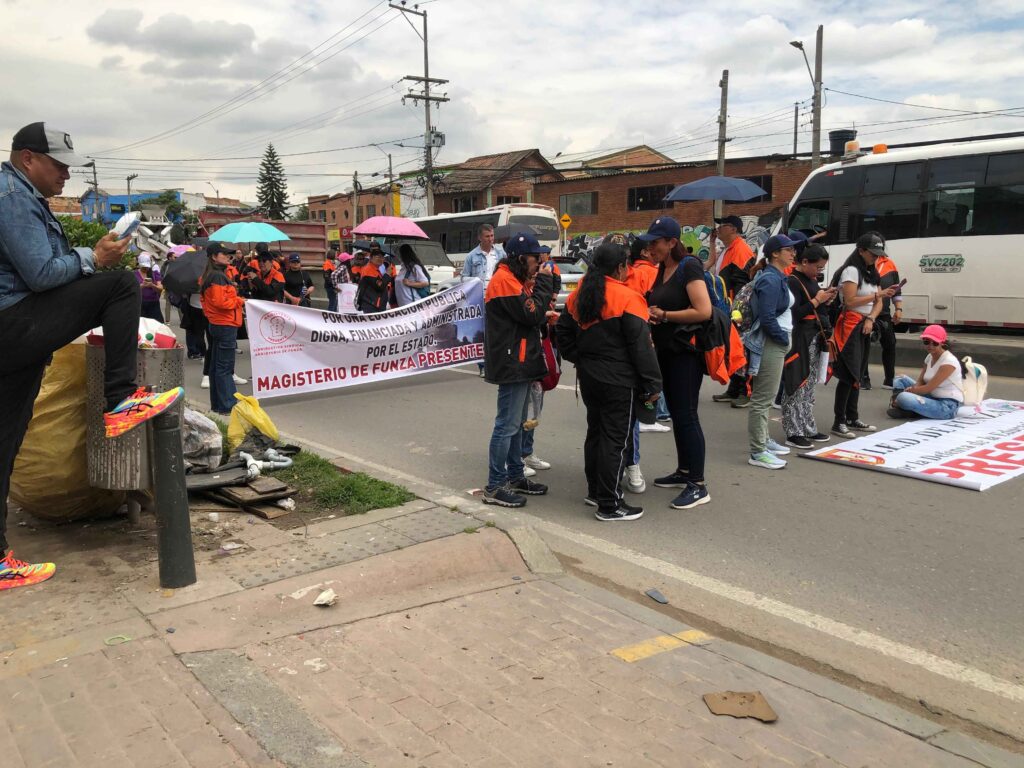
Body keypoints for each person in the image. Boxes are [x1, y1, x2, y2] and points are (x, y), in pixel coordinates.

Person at [0, 121, 183, 588]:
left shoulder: (24, 195)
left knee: (6, 441)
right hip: (14, 323)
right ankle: (120, 398)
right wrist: (94, 259)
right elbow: (41, 274)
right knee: (121, 284)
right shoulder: (10, 195)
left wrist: (86, 257)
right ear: (28, 159)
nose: (66, 174)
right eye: (59, 165)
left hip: (17, 334)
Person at [555, 243, 662, 521]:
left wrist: (581, 357)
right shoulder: (628, 298)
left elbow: (562, 335)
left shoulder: (578, 296)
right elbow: (642, 347)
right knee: (616, 439)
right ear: (620, 267)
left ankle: (596, 492)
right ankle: (609, 504)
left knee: (597, 434)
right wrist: (653, 384)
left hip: (589, 376)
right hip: (619, 380)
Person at [480, 232, 554, 508]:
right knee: (507, 426)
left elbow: (529, 316)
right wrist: (545, 283)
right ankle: (495, 485)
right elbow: (530, 313)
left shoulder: (515, 280)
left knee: (518, 425)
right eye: (537, 258)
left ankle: (514, 475)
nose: (540, 263)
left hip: (520, 360)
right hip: (512, 362)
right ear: (522, 258)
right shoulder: (505, 282)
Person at [644, 216, 713, 509]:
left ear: (672, 242)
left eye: (656, 243)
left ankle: (697, 484)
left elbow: (703, 310)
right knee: (677, 413)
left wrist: (664, 316)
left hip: (686, 353)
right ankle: (684, 471)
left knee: (686, 415)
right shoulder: (663, 269)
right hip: (667, 351)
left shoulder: (689, 266)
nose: (651, 248)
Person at [830, 233, 898, 437]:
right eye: (872, 253)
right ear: (860, 250)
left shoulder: (872, 272)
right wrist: (878, 295)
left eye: (878, 254)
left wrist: (870, 319)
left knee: (858, 374)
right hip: (849, 324)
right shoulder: (851, 271)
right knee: (848, 374)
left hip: (865, 324)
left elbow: (878, 303)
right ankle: (839, 421)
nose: (875, 257)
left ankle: (852, 417)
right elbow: (849, 301)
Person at [744, 235, 798, 469]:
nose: (793, 254)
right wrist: (781, 338)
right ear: (775, 253)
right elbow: (766, 317)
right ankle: (758, 452)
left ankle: (764, 441)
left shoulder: (776, 277)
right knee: (763, 399)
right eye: (789, 250)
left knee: (765, 397)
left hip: (775, 340)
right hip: (771, 342)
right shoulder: (771, 279)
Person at [781, 244, 837, 448]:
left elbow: (815, 306)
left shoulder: (809, 280)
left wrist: (825, 299)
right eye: (818, 267)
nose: (819, 272)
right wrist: (816, 300)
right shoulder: (792, 282)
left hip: (814, 338)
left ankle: (807, 426)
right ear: (804, 262)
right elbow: (792, 313)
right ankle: (793, 431)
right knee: (797, 382)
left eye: (822, 268)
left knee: (809, 385)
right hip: (799, 339)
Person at [200, 242, 246, 415]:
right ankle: (228, 404)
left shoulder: (211, 275)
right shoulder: (218, 277)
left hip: (217, 324)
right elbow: (221, 302)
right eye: (224, 254)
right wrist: (240, 301)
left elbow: (210, 302)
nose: (228, 256)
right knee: (224, 367)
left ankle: (219, 405)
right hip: (225, 324)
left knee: (216, 367)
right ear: (214, 257)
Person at [888, 325, 964, 420]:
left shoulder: (949, 361)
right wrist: (913, 388)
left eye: (935, 343)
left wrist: (911, 391)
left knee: (904, 397)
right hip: (932, 395)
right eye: (926, 342)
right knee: (900, 379)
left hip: (946, 405)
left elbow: (928, 388)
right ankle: (902, 405)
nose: (930, 346)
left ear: (942, 343)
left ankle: (905, 407)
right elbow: (921, 381)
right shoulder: (929, 357)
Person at [867, 236, 902, 389]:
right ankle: (863, 378)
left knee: (890, 344)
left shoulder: (889, 264)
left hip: (884, 312)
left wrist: (899, 308)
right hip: (865, 312)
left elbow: (897, 289)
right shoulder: (860, 266)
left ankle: (889, 379)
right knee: (864, 346)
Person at [711, 214, 754, 297]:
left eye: (722, 225)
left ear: (733, 229)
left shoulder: (741, 250)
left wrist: (734, 307)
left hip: (731, 305)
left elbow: (741, 286)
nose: (718, 228)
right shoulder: (729, 248)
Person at [355, 247, 392, 313]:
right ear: (371, 258)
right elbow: (380, 286)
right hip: (371, 306)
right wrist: (387, 274)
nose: (381, 259)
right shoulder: (369, 269)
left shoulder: (376, 269)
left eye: (382, 257)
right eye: (378, 257)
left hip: (375, 305)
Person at [136, 252, 164, 321]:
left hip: (153, 304)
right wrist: (143, 285)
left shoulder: (154, 273)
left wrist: (152, 285)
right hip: (140, 304)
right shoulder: (134, 274)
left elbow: (160, 288)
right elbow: (132, 290)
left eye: (147, 267)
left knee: (156, 325)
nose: (146, 268)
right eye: (144, 267)